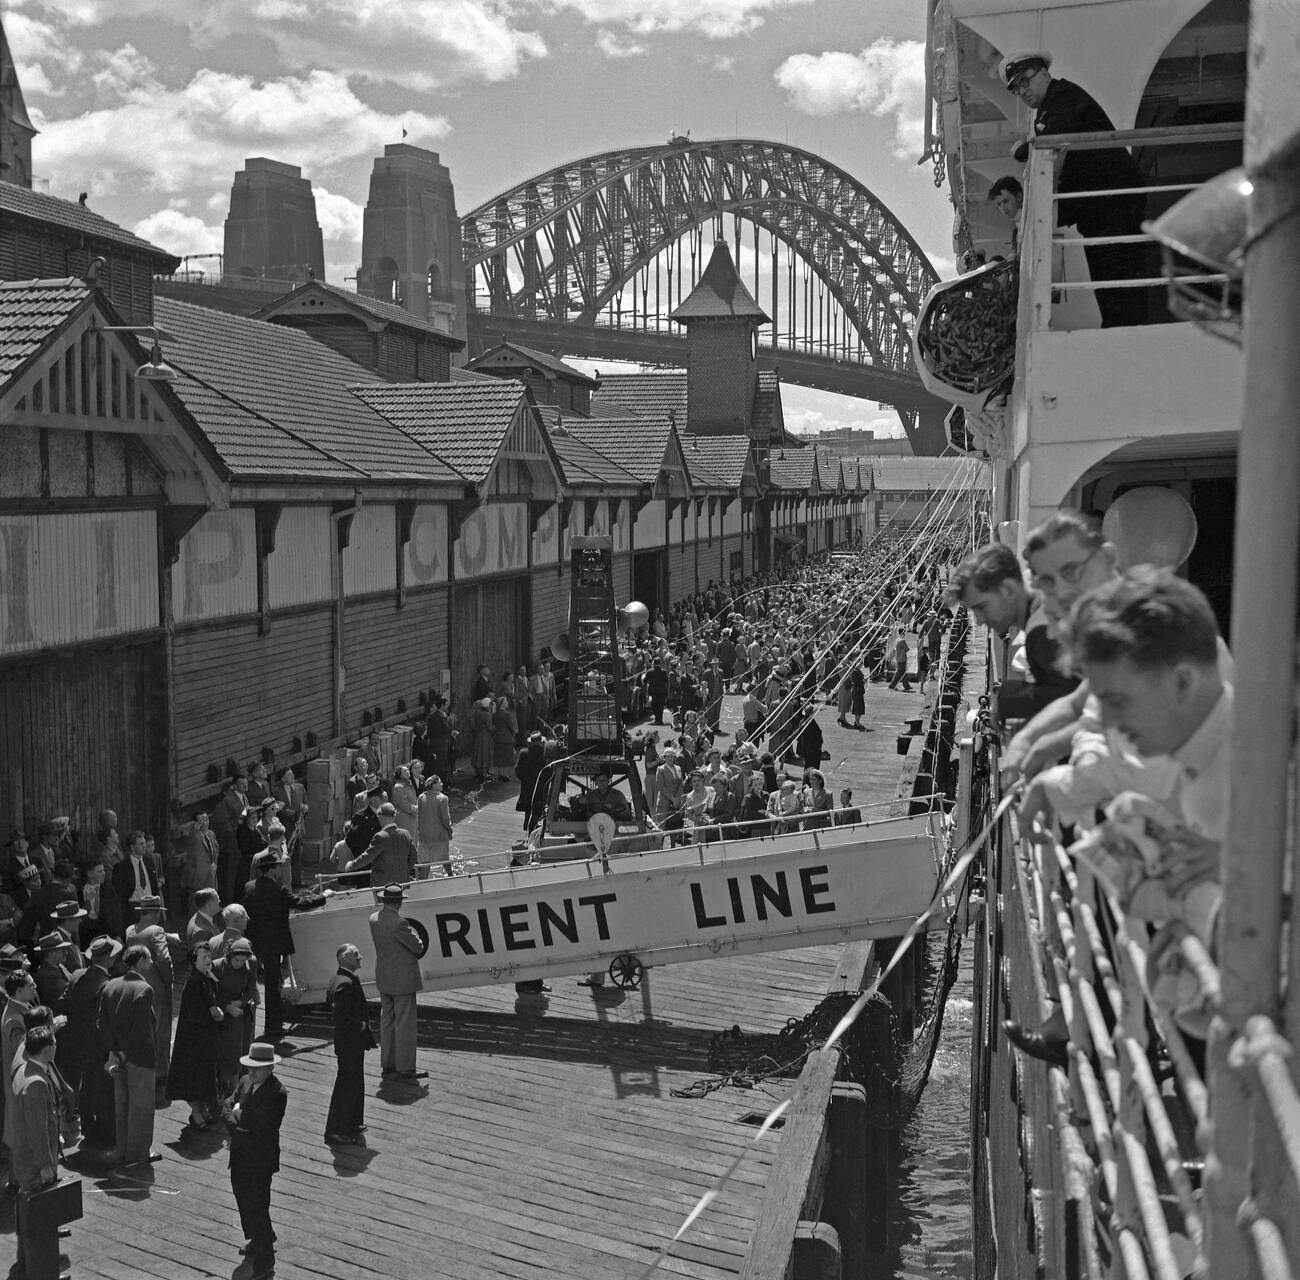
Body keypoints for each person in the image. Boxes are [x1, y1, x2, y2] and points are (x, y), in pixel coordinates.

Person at [1002, 51, 1149, 327]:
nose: (1022, 91)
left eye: (1025, 81)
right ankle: (1119, 327)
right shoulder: (1049, 107)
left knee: (1119, 276)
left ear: (1044, 74)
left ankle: (1125, 330)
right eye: (1016, 88)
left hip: (1113, 204)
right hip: (1098, 208)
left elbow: (1055, 144)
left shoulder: (1063, 97)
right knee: (1110, 280)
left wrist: (1026, 150)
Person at [243, 851, 325, 1043]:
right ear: (271, 870)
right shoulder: (278, 890)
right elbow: (300, 903)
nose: (281, 868)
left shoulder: (249, 888)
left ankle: (255, 1026)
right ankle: (273, 1027)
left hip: (256, 942)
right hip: (274, 943)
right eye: (278, 866)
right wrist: (323, 897)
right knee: (273, 985)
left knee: (253, 981)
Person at [226, 1041, 287, 1280]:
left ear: (270, 1068)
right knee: (241, 1196)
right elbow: (227, 1106)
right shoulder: (244, 1081)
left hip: (260, 1159)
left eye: (257, 1068)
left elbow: (260, 1124)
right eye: (250, 1067)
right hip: (240, 1154)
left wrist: (238, 1115)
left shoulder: (276, 1093)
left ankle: (265, 1260)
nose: (251, 1072)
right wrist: (237, 1116)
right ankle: (256, 1237)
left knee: (258, 1204)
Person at [97, 944, 158, 1167]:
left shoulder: (110, 986)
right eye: (149, 959)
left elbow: (101, 1023)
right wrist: (125, 1053)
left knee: (121, 1104)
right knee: (140, 1108)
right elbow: (141, 1030)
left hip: (116, 1057)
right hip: (139, 1058)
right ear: (140, 961)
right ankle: (138, 1154)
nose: (151, 963)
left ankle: (121, 1149)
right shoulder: (144, 989)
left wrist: (113, 1050)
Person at [10, 1025, 62, 1280]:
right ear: (48, 1048)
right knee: (41, 1220)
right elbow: (38, 1130)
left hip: (22, 1157)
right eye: (54, 1042)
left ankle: (25, 1265)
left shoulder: (23, 1070)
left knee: (27, 1214)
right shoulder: (37, 1083)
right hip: (34, 1162)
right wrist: (46, 1165)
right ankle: (41, 1271)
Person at [369, 884, 426, 1081]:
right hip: (403, 979)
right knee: (405, 1024)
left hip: (384, 975)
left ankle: (388, 1063)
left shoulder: (374, 919)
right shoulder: (399, 923)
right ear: (400, 901)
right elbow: (418, 947)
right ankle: (406, 1067)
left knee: (387, 1021)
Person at [167, 940, 224, 1128]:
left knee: (205, 1076)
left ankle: (202, 1109)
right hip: (193, 1040)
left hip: (205, 1038)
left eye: (209, 956)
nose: (208, 960)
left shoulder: (208, 978)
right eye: (204, 957)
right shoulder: (193, 982)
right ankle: (196, 1112)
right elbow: (195, 1014)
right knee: (195, 1078)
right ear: (194, 960)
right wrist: (213, 1013)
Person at [324, 942, 374, 1145]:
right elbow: (340, 1017)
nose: (360, 956)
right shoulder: (345, 983)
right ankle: (338, 1129)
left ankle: (352, 1122)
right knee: (347, 1084)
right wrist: (360, 1024)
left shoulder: (343, 979)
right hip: (349, 1043)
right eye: (355, 954)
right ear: (344, 959)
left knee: (354, 1083)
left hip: (352, 1043)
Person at [213, 937, 258, 1096]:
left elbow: (252, 988)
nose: (239, 963)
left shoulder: (250, 964)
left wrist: (241, 1002)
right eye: (236, 960)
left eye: (242, 960)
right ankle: (223, 1087)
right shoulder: (217, 966)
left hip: (240, 1013)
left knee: (241, 1051)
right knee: (224, 1054)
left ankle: (238, 1088)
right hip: (222, 1015)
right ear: (229, 956)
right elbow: (212, 994)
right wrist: (226, 1007)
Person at [344, 803, 418, 887]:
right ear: (394, 816)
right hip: (402, 883)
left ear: (381, 817)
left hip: (382, 885)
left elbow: (367, 857)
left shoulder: (380, 837)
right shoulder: (405, 834)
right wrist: (405, 871)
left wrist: (351, 866)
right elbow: (413, 856)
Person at [417, 776, 454, 876]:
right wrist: (449, 830)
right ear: (433, 785)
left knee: (425, 859)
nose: (441, 784)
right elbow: (445, 818)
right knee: (444, 857)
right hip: (439, 834)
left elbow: (419, 815)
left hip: (425, 834)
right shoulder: (442, 798)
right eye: (439, 782)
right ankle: (451, 876)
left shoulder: (421, 797)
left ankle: (423, 880)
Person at [988, 174, 1024, 252]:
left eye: (1006, 201)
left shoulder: (1030, 219)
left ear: (1019, 196)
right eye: (999, 204)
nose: (1003, 208)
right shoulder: (1017, 227)